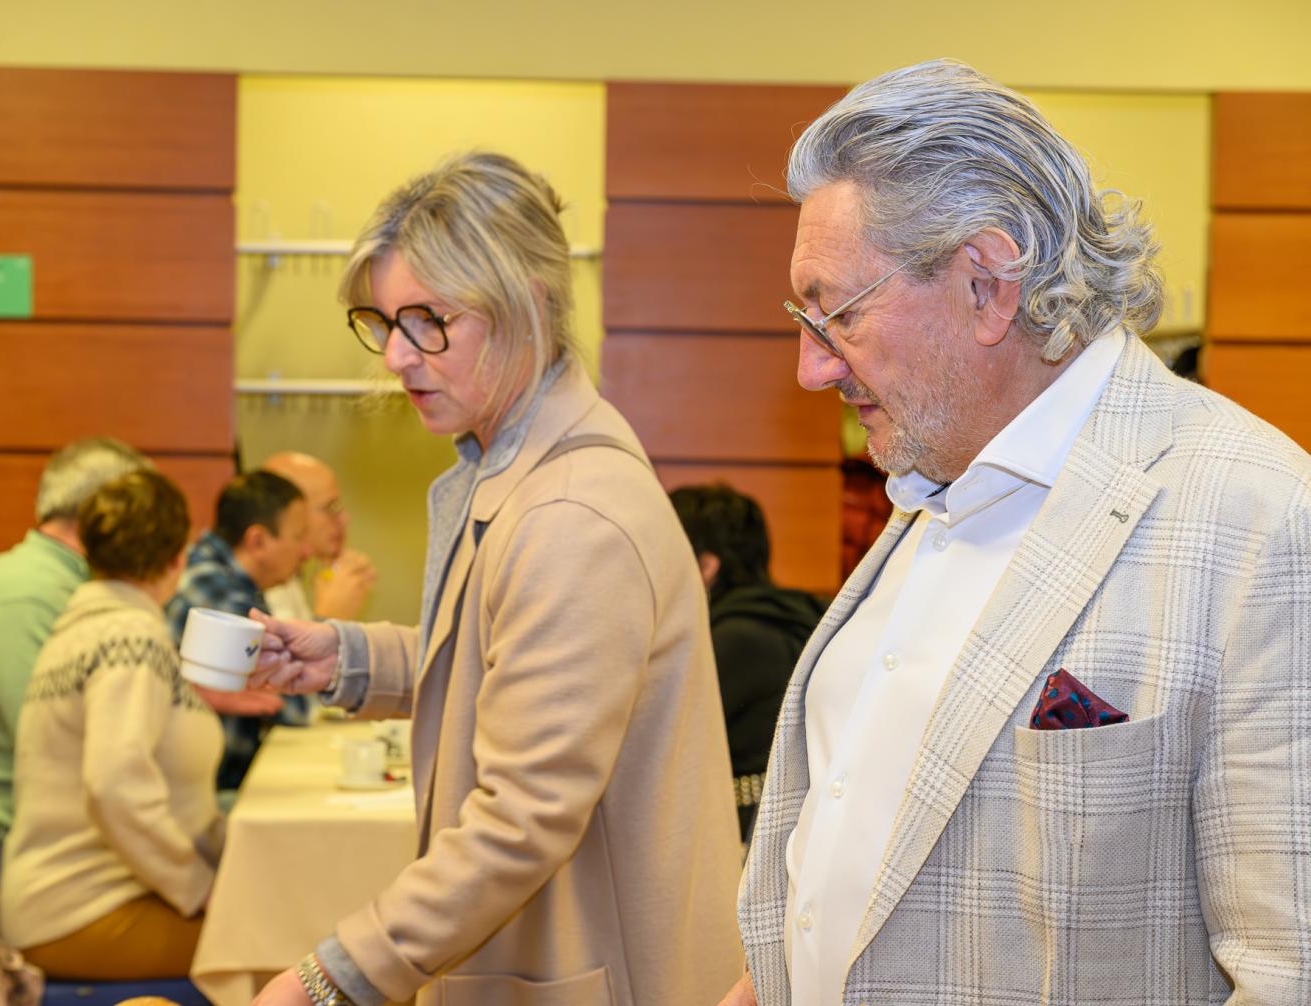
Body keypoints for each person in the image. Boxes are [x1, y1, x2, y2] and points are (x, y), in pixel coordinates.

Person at [725, 60, 1311, 1006]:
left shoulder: (1259, 518)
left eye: (838, 315)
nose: (812, 369)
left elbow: (1290, 971)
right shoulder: (935, 479)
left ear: (988, 284)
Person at [248, 152, 743, 1006]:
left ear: (532, 306)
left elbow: (522, 818)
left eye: (430, 321)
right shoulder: (518, 471)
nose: (397, 356)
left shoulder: (570, 514)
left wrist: (330, 979)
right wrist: (348, 659)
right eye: (384, 322)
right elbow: (503, 667)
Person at [0, 469, 225, 980]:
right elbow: (114, 785)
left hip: (66, 901)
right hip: (83, 909)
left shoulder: (82, 630)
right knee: (291, 955)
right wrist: (198, 887)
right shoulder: (131, 638)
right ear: (178, 558)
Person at [0, 436, 150, 834]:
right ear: (103, 516)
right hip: (48, 836)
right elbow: (56, 748)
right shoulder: (27, 597)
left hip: (77, 815)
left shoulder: (61, 582)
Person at [669, 484, 825, 842]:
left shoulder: (732, 639)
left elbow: (664, 745)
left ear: (706, 567)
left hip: (739, 834)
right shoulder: (786, 618)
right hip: (787, 828)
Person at [166, 469, 313, 790]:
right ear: (257, 541)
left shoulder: (228, 578)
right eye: (299, 537)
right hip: (211, 791)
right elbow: (295, 707)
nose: (307, 552)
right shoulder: (217, 593)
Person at [261, 452, 377, 621]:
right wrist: (331, 617)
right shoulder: (263, 585)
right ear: (292, 511)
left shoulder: (290, 578)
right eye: (330, 508)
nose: (344, 519)